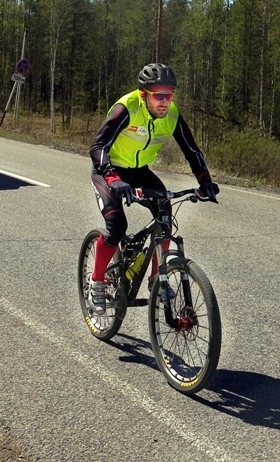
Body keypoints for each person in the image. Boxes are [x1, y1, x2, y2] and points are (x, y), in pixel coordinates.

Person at [87, 62, 219, 314]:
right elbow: (98, 147)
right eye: (158, 95)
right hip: (109, 170)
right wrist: (113, 179)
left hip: (140, 172)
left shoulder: (171, 115)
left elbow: (191, 150)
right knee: (116, 226)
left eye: (169, 95)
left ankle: (156, 280)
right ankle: (97, 281)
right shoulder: (126, 108)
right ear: (143, 94)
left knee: (166, 218)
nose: (164, 101)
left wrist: (204, 179)